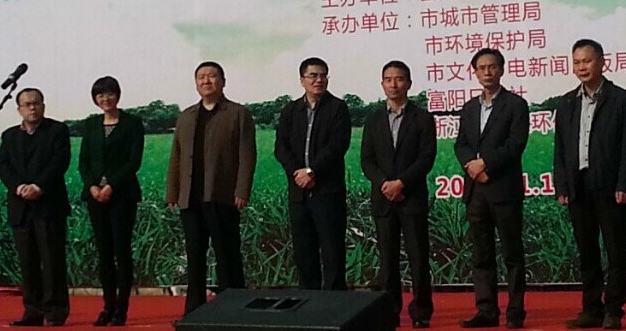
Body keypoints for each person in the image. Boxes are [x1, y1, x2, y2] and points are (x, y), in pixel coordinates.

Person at [553, 39, 626, 330]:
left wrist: (625, 184)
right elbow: (560, 148)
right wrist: (562, 186)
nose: (582, 67)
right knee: (587, 251)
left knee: (615, 250)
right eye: (577, 62)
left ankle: (613, 309)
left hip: (611, 187)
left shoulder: (621, 99)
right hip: (578, 186)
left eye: (587, 61)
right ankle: (591, 308)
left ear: (602, 62)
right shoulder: (567, 102)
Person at [166, 61, 257, 315]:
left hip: (222, 195)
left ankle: (234, 309)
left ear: (223, 81)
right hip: (190, 198)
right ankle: (194, 310)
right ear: (196, 84)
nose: (206, 81)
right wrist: (172, 192)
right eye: (201, 77)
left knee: (227, 255)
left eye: (212, 76)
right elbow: (176, 156)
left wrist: (242, 190)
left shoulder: (238, 113)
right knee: (195, 257)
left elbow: (247, 155)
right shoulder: (186, 116)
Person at [454, 48, 530, 329]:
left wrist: (485, 164)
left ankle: (515, 312)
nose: (487, 72)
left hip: (504, 190)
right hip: (476, 191)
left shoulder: (516, 105)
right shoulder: (469, 108)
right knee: (481, 254)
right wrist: (471, 166)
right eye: (481, 67)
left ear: (502, 70)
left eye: (492, 66)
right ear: (474, 72)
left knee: (512, 254)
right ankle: (486, 310)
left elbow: (515, 144)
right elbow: (461, 144)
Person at [361, 61, 436, 329]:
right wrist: (385, 184)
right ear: (382, 84)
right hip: (383, 199)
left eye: (399, 79)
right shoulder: (373, 120)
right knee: (388, 259)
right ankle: (390, 311)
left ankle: (421, 311)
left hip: (411, 197)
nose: (394, 84)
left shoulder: (423, 118)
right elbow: (367, 160)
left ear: (409, 83)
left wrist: (401, 183)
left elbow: (426, 157)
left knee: (418, 257)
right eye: (388, 79)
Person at [274, 57, 351, 290]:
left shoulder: (338, 108)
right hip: (299, 193)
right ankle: (309, 303)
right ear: (302, 80)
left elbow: (338, 145)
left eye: (323, 75)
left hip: (327, 192)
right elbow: (281, 147)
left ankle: (335, 304)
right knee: (304, 252)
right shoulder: (290, 110)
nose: (319, 80)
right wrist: (297, 173)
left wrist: (312, 171)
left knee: (332, 252)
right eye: (313, 75)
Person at [0, 88, 71, 327]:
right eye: (27, 104)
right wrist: (19, 187)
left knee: (52, 261)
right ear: (19, 109)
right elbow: (3, 166)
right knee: (27, 263)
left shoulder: (57, 130)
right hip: (21, 207)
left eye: (36, 103)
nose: (32, 108)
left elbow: (59, 162)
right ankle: (32, 311)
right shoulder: (9, 136)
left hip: (49, 205)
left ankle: (55, 312)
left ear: (43, 106)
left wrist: (39, 186)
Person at [78, 77, 144, 327]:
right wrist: (92, 186)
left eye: (109, 94)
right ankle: (107, 306)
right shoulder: (91, 125)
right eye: (100, 95)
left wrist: (111, 186)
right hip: (95, 197)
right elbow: (84, 162)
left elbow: (133, 162)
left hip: (122, 196)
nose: (105, 99)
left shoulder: (133, 123)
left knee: (121, 251)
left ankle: (121, 309)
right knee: (104, 252)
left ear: (118, 95)